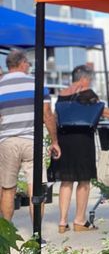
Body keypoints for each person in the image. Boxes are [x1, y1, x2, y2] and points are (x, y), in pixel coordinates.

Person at [48, 65, 109, 233]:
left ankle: (63, 221)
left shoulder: (62, 94)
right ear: (84, 78)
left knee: (66, 180)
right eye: (90, 78)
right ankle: (80, 220)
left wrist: (54, 139)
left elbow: (56, 116)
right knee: (84, 181)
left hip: (64, 138)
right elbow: (103, 111)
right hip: (82, 139)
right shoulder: (87, 92)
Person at [0, 49, 61, 225]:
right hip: (32, 142)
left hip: (6, 142)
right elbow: (47, 115)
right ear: (22, 63)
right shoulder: (37, 84)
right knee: (36, 188)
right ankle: (37, 234)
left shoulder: (1, 85)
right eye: (28, 63)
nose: (29, 66)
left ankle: (6, 232)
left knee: (7, 189)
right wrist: (55, 141)